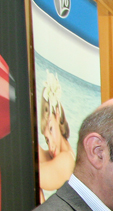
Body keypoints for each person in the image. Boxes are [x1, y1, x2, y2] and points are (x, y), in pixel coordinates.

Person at [38, 71, 75, 200]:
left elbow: (29, 173)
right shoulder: (63, 155)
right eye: (47, 140)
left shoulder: (66, 161)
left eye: (51, 129)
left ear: (57, 113)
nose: (51, 145)